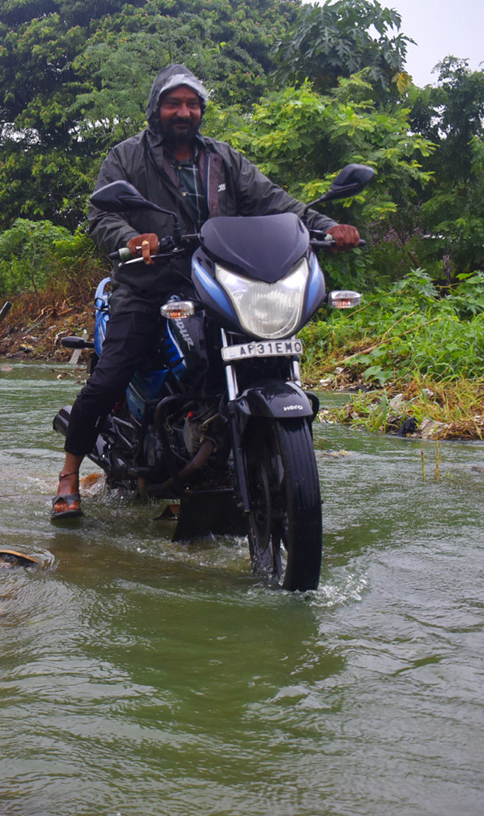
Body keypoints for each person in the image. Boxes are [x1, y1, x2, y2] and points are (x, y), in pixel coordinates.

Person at [52, 63, 361, 520]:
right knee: (111, 375)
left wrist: (325, 226)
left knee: (259, 353)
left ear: (202, 111)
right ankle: (68, 474)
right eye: (173, 103)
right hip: (149, 284)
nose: (184, 111)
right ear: (156, 109)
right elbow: (102, 216)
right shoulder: (127, 157)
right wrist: (130, 240)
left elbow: (276, 202)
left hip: (221, 282)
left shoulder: (223, 159)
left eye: (192, 103)